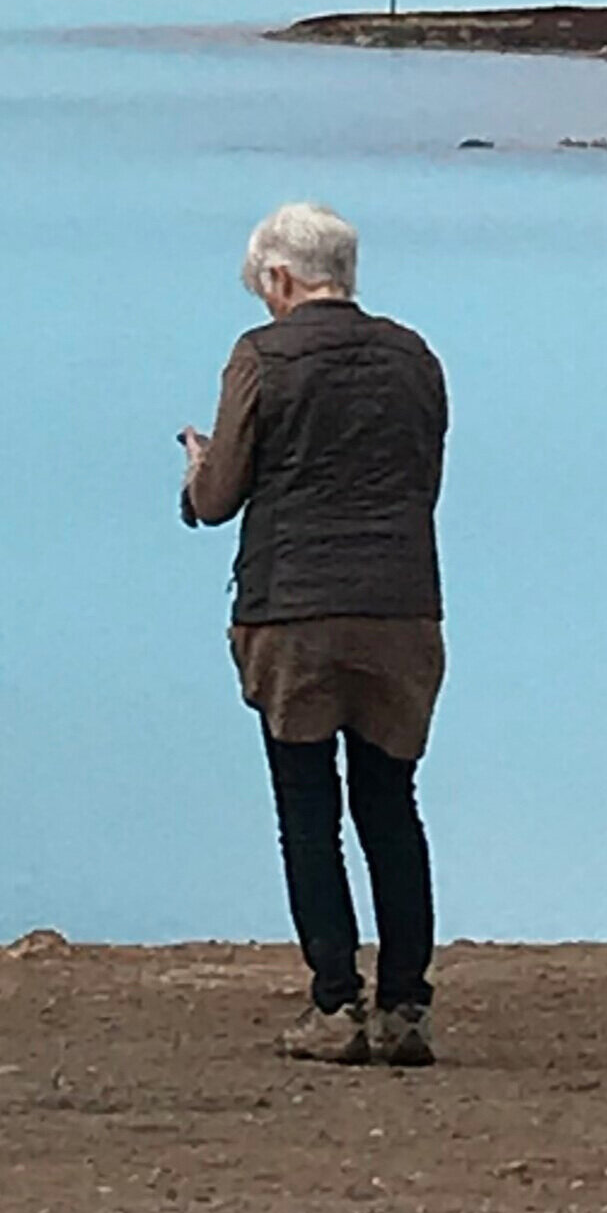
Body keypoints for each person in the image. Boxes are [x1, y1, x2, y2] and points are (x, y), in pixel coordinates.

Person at [181, 202, 448, 1068]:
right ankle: (407, 1006)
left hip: (293, 608)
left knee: (308, 810)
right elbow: (420, 479)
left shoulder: (262, 358)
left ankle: (336, 1006)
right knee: (390, 806)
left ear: (280, 279)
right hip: (402, 610)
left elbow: (220, 498)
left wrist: (196, 473)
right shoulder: (415, 358)